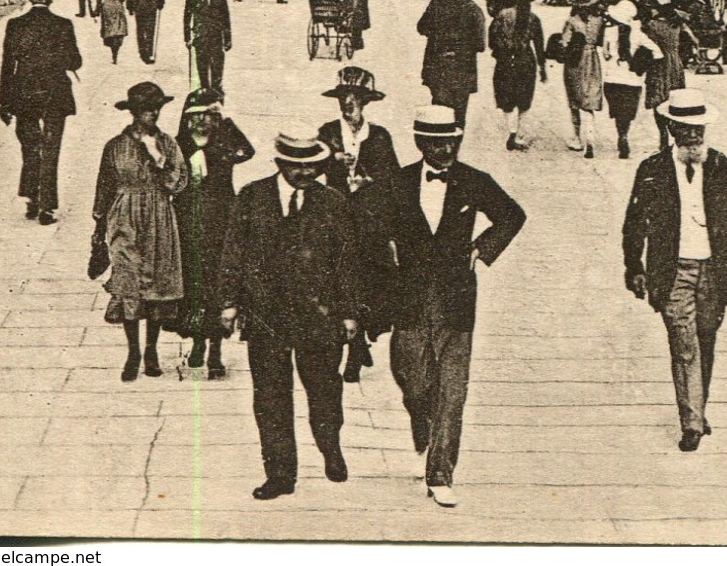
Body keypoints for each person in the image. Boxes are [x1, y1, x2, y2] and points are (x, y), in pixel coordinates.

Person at [385, 106, 527, 506]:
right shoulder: (397, 182)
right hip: (409, 298)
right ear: (420, 143)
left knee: (452, 390)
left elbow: (512, 215)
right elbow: (364, 214)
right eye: (436, 142)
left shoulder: (473, 181)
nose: (446, 149)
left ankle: (441, 473)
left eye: (452, 141)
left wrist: (482, 247)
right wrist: (386, 244)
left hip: (456, 298)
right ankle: (420, 416)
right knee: (412, 377)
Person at [218, 129, 361, 500]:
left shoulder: (332, 202)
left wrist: (348, 312)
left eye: (311, 166)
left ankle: (330, 446)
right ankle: (280, 474)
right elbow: (234, 252)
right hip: (268, 314)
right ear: (280, 163)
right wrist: (229, 303)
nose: (305, 174)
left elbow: (347, 262)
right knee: (270, 396)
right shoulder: (253, 197)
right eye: (297, 167)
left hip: (320, 313)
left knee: (325, 390)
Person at [621, 90, 727, 451]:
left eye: (699, 129)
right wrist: (634, 267)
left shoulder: (721, 167)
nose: (694, 137)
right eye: (686, 130)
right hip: (673, 271)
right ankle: (691, 422)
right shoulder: (652, 170)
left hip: (716, 269)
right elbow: (634, 222)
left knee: (706, 338)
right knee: (683, 344)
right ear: (671, 128)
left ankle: (697, 406)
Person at [93, 82, 189, 381]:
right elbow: (104, 186)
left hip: (159, 214)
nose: (153, 114)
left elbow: (180, 180)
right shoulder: (115, 146)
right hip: (124, 216)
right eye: (147, 109)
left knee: (157, 284)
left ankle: (151, 350)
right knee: (129, 282)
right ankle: (133, 350)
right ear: (134, 112)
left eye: (157, 108)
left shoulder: (168, 143)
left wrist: (161, 166)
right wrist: (98, 226)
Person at [316, 66, 402, 384]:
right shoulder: (327, 133)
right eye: (343, 97)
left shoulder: (378, 136)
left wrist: (370, 180)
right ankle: (350, 341)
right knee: (336, 279)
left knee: (366, 281)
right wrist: (331, 162)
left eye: (354, 98)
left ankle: (355, 351)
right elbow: (311, 168)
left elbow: (392, 178)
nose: (348, 103)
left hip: (368, 221)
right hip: (334, 219)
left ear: (365, 102)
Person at [173, 88, 254, 378]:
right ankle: (197, 343)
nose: (205, 121)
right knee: (195, 283)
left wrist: (228, 123)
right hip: (189, 219)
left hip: (221, 219)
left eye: (211, 114)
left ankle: (216, 349)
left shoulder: (224, 139)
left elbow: (248, 150)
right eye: (199, 115)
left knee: (218, 283)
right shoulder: (181, 143)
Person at [0, 0, 82, 224]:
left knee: (30, 148)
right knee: (51, 148)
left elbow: (7, 66)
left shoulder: (15, 25)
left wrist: (4, 102)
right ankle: (47, 206)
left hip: (24, 95)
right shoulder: (63, 25)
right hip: (55, 94)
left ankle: (32, 199)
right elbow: (75, 61)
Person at [417, 0, 487, 129]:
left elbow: (421, 27)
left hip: (437, 67)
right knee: (459, 116)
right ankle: (454, 151)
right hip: (463, 69)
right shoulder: (472, 7)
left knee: (439, 115)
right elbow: (480, 45)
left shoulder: (436, 3)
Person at [490, 0, 547, 151]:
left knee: (506, 98)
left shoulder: (502, 15)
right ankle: (520, 135)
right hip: (525, 61)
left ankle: (511, 130)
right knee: (524, 100)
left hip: (505, 61)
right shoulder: (533, 19)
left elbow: (492, 39)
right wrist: (543, 68)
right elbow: (539, 45)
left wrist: (500, 52)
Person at [603, 0, 657, 160]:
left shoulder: (609, 32)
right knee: (627, 112)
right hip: (632, 80)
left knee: (618, 111)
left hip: (612, 78)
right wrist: (641, 61)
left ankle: (621, 134)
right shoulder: (638, 34)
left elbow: (606, 55)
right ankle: (625, 134)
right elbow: (657, 51)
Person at [559, 0, 606, 157]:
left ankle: (577, 138)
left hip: (575, 62)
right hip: (592, 60)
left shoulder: (572, 21)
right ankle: (591, 139)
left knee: (574, 99)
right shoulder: (598, 21)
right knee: (590, 99)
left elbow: (564, 43)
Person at [643, 0, 690, 148]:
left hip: (659, 63)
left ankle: (663, 132)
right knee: (674, 98)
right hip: (675, 63)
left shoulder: (652, 25)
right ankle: (676, 132)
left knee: (658, 98)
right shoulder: (676, 23)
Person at [183, 0, 233, 94]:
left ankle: (216, 87)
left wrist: (228, 40)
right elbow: (187, 19)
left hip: (216, 35)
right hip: (200, 36)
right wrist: (187, 38)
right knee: (202, 63)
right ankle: (204, 87)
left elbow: (225, 19)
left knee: (217, 63)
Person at [96, 0, 129, 64]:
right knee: (118, 28)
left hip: (106, 4)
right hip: (116, 4)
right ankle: (115, 53)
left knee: (109, 28)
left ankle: (112, 49)